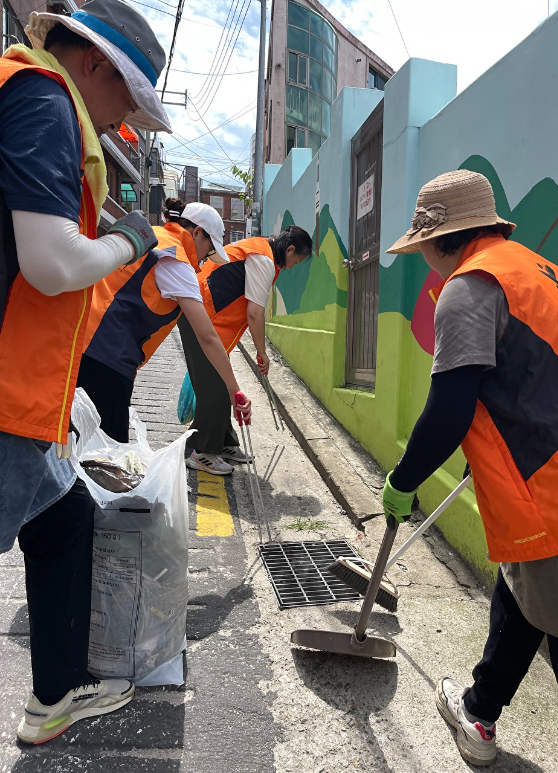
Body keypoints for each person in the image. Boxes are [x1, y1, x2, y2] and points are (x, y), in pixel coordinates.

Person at [0, 0, 172, 744]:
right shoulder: (43, 100)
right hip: (4, 394)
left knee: (64, 514)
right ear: (96, 65)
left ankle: (55, 697)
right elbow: (52, 262)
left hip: (29, 385)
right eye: (126, 100)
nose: (121, 122)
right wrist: (131, 238)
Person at [383, 169, 558, 769]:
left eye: (423, 251)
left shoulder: (469, 289)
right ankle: (479, 709)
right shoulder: (543, 271)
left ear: (445, 240)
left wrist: (402, 480)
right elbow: (535, 378)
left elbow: (448, 410)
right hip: (550, 474)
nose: (425, 264)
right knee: (520, 592)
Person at [77, 198, 251, 442]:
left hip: (77, 340)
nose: (206, 259)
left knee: (73, 443)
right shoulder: (176, 261)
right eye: (210, 250)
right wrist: (234, 390)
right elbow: (207, 336)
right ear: (198, 232)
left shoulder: (151, 235)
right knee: (104, 456)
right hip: (108, 360)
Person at [179, 224, 313, 475]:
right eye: (298, 259)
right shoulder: (263, 258)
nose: (295, 265)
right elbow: (255, 312)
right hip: (199, 315)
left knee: (217, 382)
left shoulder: (262, 252)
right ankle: (203, 453)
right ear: (290, 249)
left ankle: (224, 442)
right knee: (217, 386)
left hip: (208, 317)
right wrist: (262, 353)